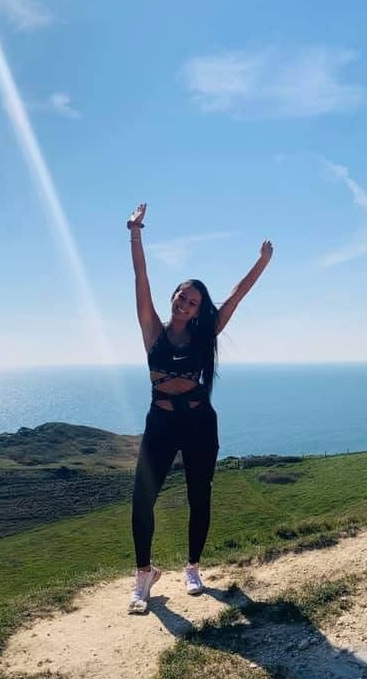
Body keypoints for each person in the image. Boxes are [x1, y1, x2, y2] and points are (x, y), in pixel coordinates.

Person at [126, 203, 273, 613]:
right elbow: (141, 279)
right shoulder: (152, 329)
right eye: (181, 297)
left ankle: (192, 568)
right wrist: (135, 233)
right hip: (161, 423)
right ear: (173, 298)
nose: (184, 304)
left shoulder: (206, 334)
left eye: (192, 302)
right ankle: (144, 576)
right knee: (142, 499)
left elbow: (236, 296)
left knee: (199, 496)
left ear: (197, 309)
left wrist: (261, 262)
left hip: (198, 424)